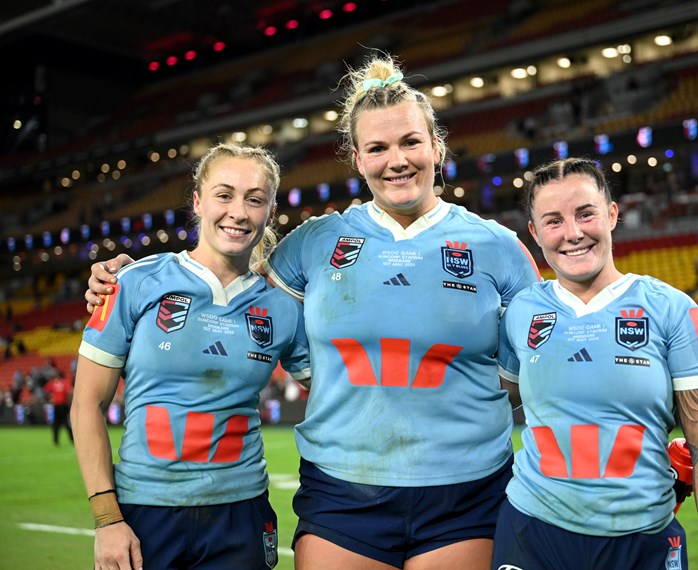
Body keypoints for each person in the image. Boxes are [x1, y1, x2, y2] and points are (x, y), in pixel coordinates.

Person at [85, 53, 541, 570]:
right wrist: (131, 278)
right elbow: (230, 284)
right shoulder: (314, 242)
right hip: (343, 490)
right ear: (356, 158)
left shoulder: (499, 247)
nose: (397, 160)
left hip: (466, 490)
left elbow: (525, 372)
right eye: (378, 148)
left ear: (436, 145)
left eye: (411, 142)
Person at [72, 143, 310, 570]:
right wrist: (107, 519)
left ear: (271, 213)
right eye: (224, 195)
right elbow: (87, 404)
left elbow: (337, 386)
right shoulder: (133, 282)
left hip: (241, 513)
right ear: (198, 202)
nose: (238, 212)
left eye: (255, 200)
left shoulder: (283, 307)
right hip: (145, 512)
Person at [492, 158, 698, 569]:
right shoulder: (520, 312)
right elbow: (500, 399)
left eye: (585, 214)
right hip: (531, 533)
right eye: (554, 221)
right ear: (534, 233)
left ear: (612, 214)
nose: (573, 233)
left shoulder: (674, 311)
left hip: (641, 541)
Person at [43, 373, 74, 445]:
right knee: (66, 423)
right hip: (63, 405)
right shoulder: (65, 382)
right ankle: (72, 439)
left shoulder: (52, 383)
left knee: (56, 424)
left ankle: (55, 440)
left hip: (56, 405)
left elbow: (46, 390)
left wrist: (49, 398)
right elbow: (70, 391)